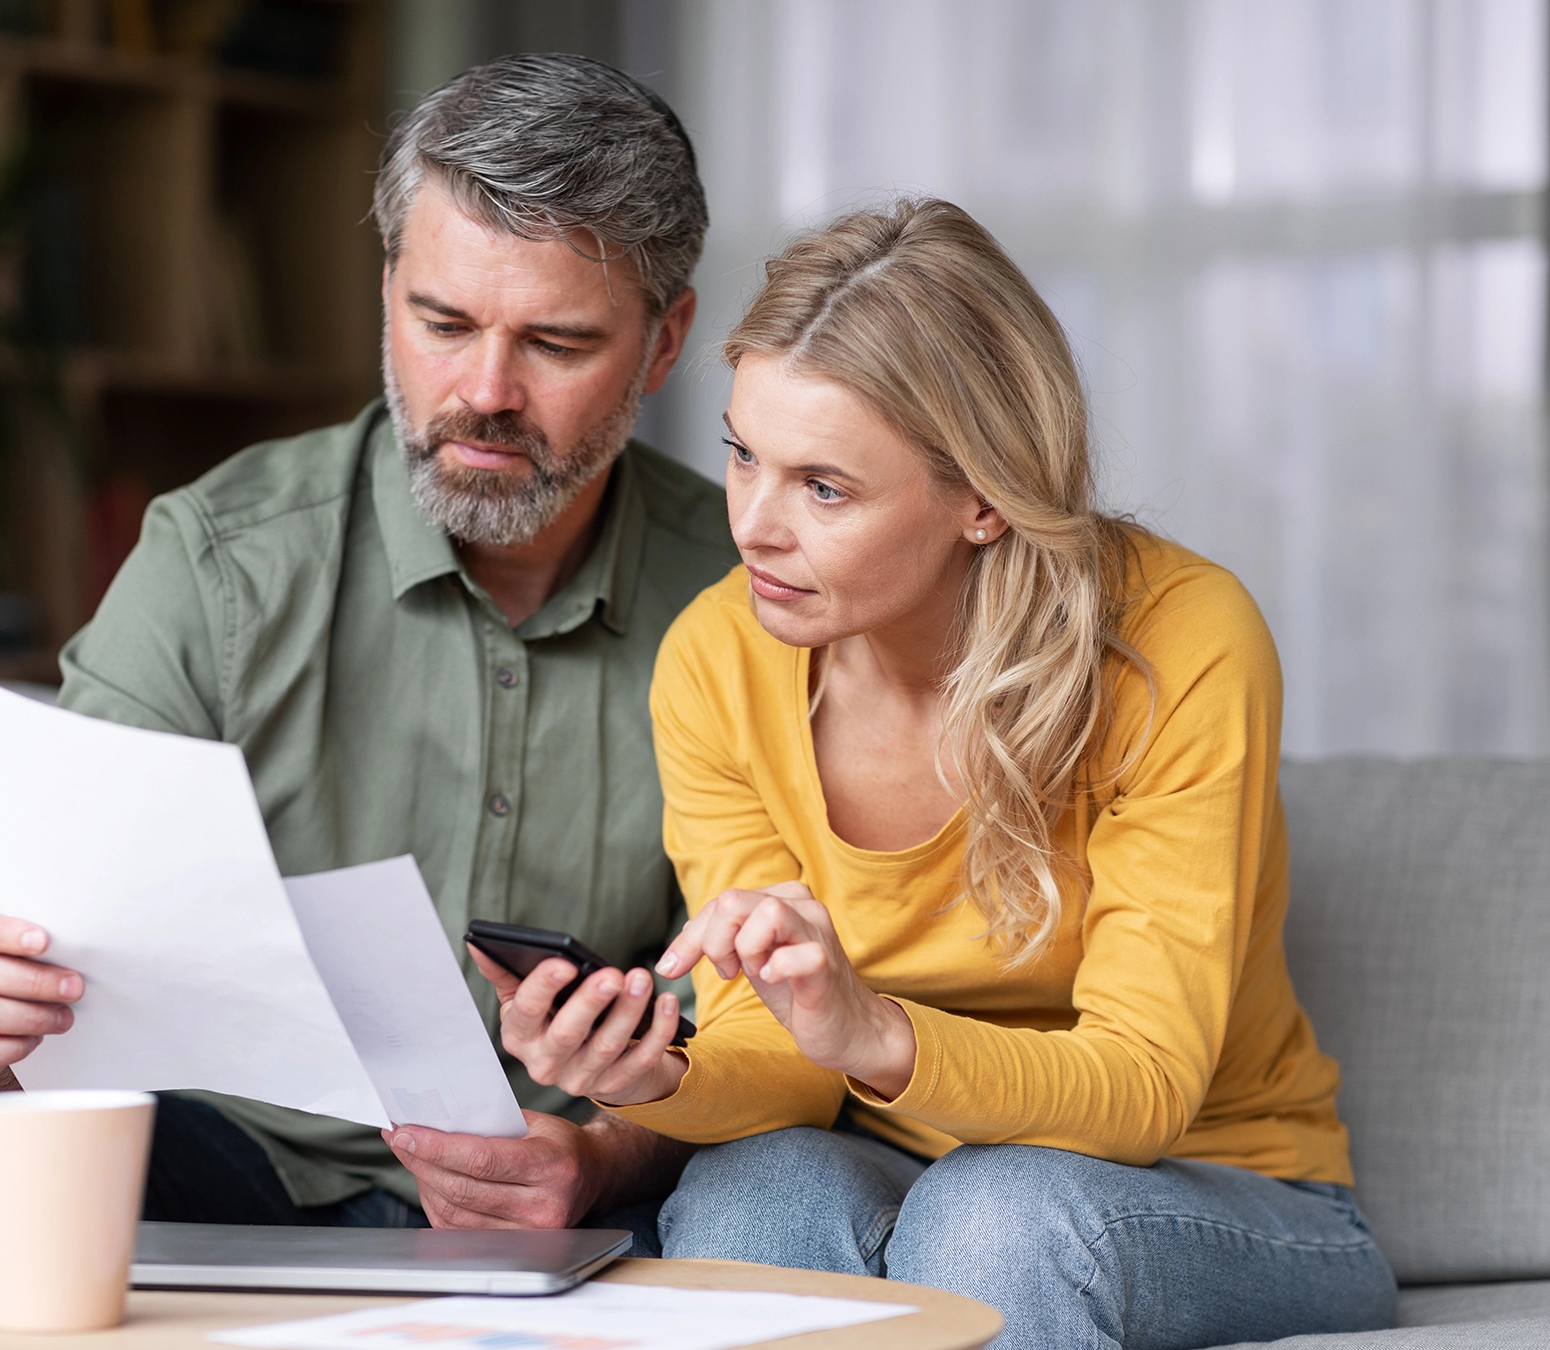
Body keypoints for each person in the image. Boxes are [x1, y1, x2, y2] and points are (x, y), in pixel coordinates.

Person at [0, 53, 739, 1295]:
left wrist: (607, 1156)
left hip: (591, 1180)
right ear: (386, 289)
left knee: (761, 1205)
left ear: (663, 344)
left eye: (555, 342)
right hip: (242, 1154)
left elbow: (781, 1021)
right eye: (441, 324)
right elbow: (58, 958)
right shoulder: (218, 560)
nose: (484, 393)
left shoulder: (753, 599)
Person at [478, 201, 1399, 1349]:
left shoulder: (1179, 640)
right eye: (741, 454)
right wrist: (644, 1076)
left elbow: (1143, 1087)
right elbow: (782, 1065)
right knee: (745, 1197)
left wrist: (871, 1031)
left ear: (982, 499)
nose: (751, 526)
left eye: (823, 488)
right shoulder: (717, 656)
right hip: (893, 1165)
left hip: (1214, 1185)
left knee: (992, 1215)